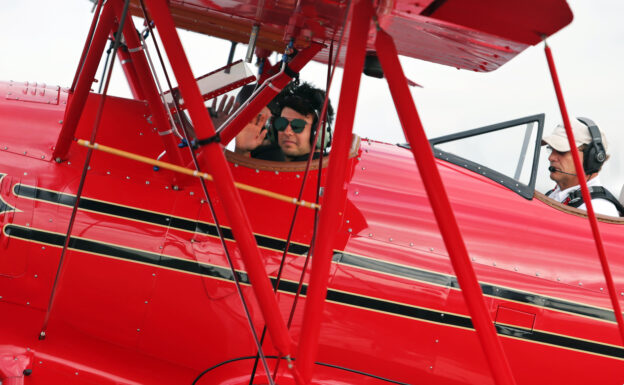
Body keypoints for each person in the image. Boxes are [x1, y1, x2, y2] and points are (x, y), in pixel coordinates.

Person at [542, 117, 623, 217]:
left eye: (561, 151)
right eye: (551, 149)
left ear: (591, 158)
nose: (551, 157)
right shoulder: (553, 196)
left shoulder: (597, 209)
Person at [233, 82, 334, 162]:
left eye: (297, 126)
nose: (287, 132)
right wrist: (241, 152)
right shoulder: (263, 159)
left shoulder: (327, 177)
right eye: (281, 123)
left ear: (319, 133)